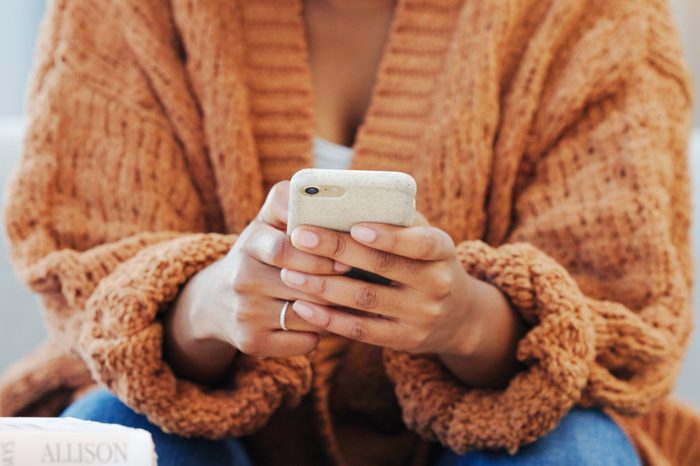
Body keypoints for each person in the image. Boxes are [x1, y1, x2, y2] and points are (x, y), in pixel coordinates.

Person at [1, 0, 698, 465]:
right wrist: (210, 307)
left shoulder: (597, 15)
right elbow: (83, 283)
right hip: (208, 430)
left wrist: (468, 323)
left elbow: (627, 312)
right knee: (111, 431)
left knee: (574, 448)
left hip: (496, 436)